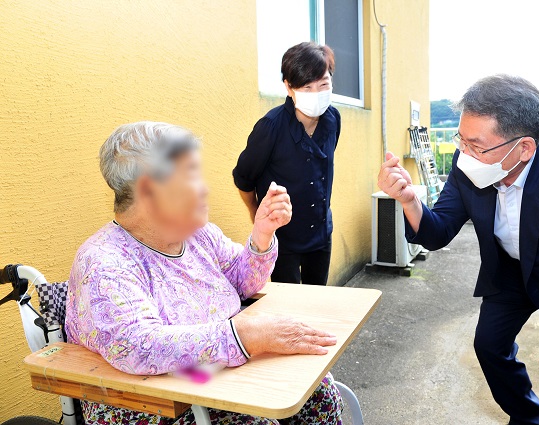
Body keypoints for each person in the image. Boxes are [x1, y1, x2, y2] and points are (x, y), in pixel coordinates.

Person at [378, 75, 539, 424]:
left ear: (524, 148)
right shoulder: (471, 166)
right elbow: (437, 232)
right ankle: (526, 416)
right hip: (512, 267)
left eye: (476, 145)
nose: (464, 152)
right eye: (461, 139)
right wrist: (407, 199)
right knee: (489, 345)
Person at [65, 122, 343, 425]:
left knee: (321, 394)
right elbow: (139, 347)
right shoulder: (104, 262)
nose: (204, 188)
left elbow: (242, 282)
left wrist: (262, 233)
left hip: (220, 377)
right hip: (152, 404)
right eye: (191, 176)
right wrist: (247, 336)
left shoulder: (199, 235)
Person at [233, 42, 340, 286]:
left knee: (317, 299)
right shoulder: (270, 128)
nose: (316, 93)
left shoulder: (333, 119)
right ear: (289, 88)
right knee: (289, 308)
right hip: (283, 239)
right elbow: (244, 177)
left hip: (321, 233)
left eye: (323, 84)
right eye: (307, 87)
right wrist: (255, 212)